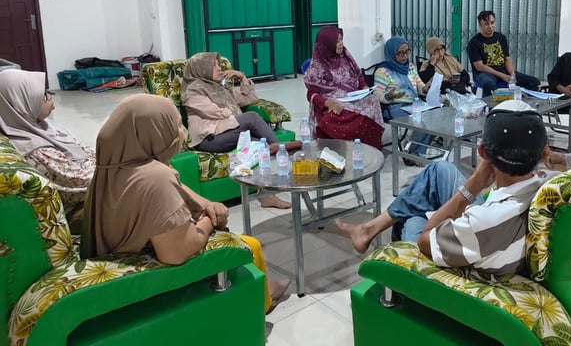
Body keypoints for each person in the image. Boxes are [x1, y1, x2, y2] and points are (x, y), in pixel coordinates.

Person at [81, 94, 290, 309]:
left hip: (113, 259)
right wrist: (211, 219)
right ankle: (262, 299)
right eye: (176, 126)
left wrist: (206, 204)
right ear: (155, 132)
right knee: (249, 245)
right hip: (145, 274)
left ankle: (264, 289)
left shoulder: (113, 167)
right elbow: (176, 252)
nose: (181, 133)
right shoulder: (154, 177)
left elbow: (178, 187)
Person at [337, 103, 554, 274]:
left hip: (470, 255)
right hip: (496, 228)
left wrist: (474, 184)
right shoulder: (553, 185)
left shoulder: (484, 221)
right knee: (441, 169)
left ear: (482, 153)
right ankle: (369, 229)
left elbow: (425, 239)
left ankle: (399, 276)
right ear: (545, 153)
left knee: (413, 218)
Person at [181, 51, 298, 209]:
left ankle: (267, 196)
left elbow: (250, 98)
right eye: (214, 65)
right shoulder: (192, 91)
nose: (219, 68)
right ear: (203, 69)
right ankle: (283, 151)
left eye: (219, 64)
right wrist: (238, 115)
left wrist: (242, 77)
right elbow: (215, 111)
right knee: (251, 118)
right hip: (208, 138)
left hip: (226, 132)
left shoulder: (219, 87)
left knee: (260, 145)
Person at [0, 69, 94, 223]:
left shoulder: (38, 126)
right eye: (42, 95)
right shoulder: (36, 150)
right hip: (79, 208)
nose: (50, 97)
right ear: (20, 103)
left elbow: (84, 151)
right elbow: (84, 184)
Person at [304, 26, 384, 148]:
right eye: (336, 41)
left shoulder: (346, 58)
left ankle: (371, 147)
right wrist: (327, 103)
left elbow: (359, 78)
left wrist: (364, 88)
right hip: (331, 102)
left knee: (373, 101)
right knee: (343, 111)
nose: (341, 44)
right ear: (327, 44)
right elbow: (311, 94)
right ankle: (347, 148)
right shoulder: (317, 66)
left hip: (353, 97)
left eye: (341, 40)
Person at [374, 37, 435, 160]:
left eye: (407, 51)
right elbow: (376, 95)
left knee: (435, 116)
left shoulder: (410, 67)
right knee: (421, 119)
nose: (405, 56)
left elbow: (419, 87)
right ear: (392, 53)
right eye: (400, 53)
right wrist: (390, 96)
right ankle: (413, 153)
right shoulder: (383, 71)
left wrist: (426, 88)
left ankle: (414, 150)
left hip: (413, 104)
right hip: (393, 107)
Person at [467, 10, 540, 97]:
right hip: (485, 73)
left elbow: (507, 58)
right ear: (480, 25)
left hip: (503, 70)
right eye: (486, 24)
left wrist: (512, 75)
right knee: (488, 83)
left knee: (534, 82)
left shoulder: (501, 38)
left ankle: (523, 102)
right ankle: (493, 105)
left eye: (492, 23)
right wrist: (503, 76)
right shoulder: (474, 42)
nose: (490, 26)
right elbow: (479, 66)